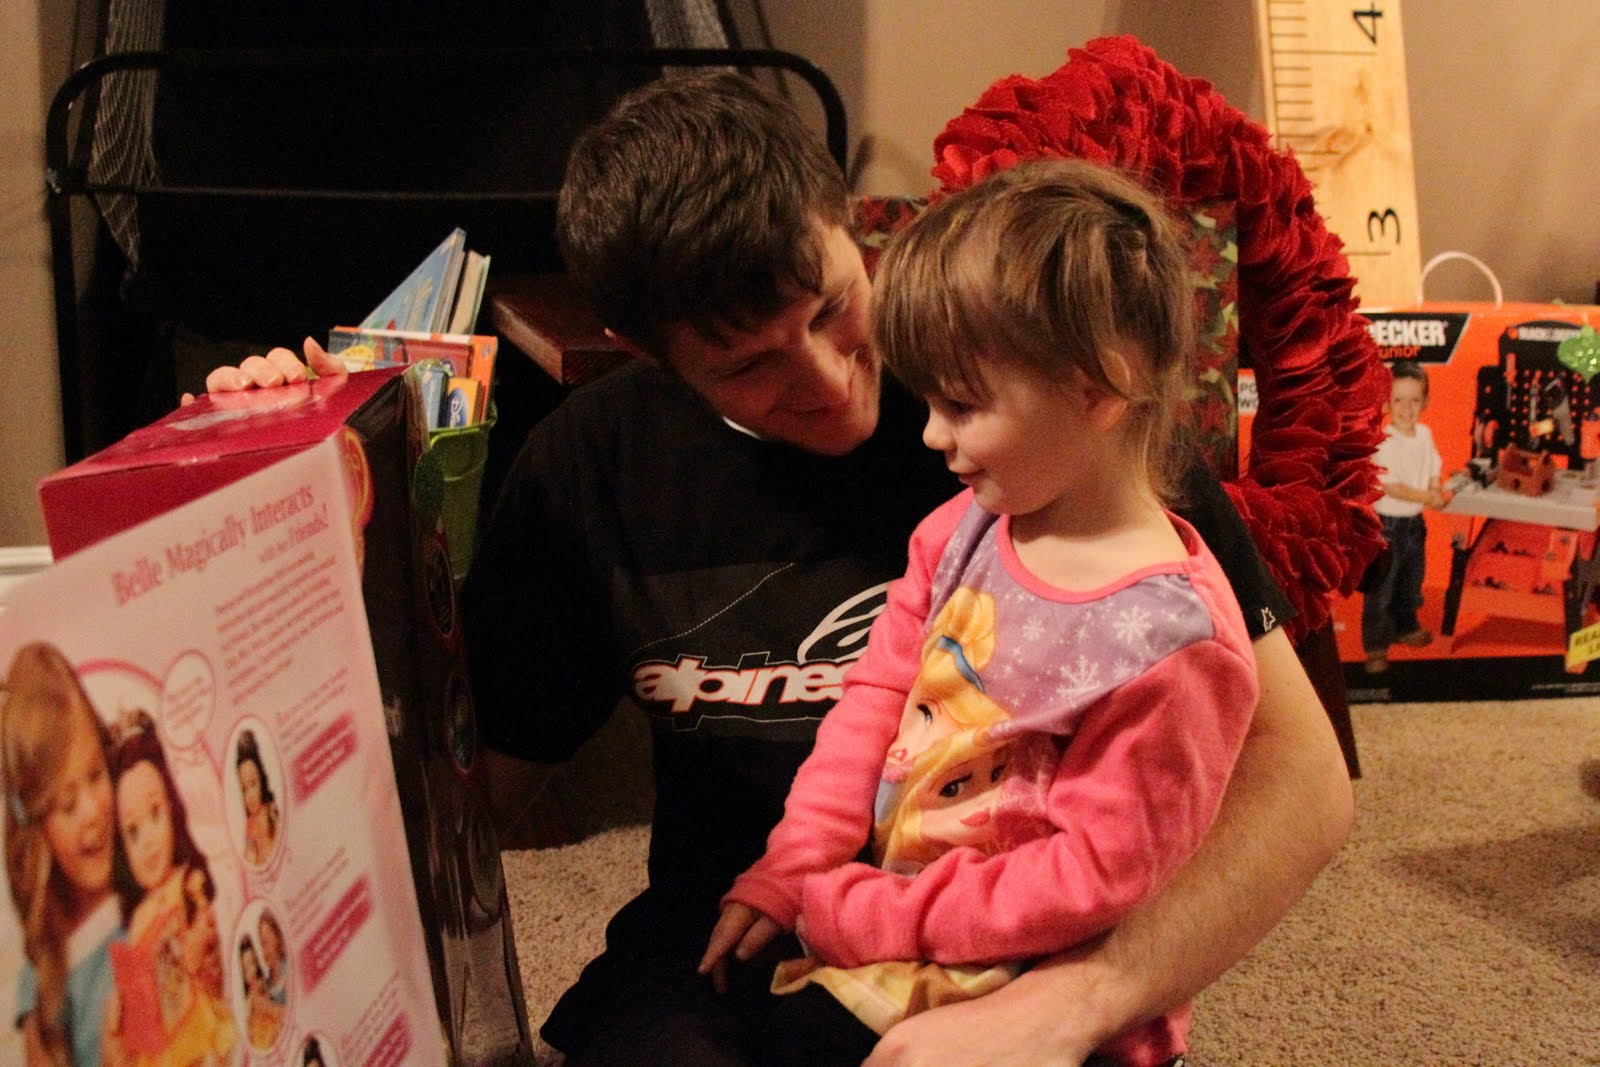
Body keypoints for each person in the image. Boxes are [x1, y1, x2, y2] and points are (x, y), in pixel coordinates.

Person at [200, 69, 1353, 1066]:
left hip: (1031, 941)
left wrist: (1082, 997)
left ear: (847, 221)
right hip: (737, 928)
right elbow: (456, 804)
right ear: (647, 355)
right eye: (749, 366)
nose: (829, 380)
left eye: (835, 307)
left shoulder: (1054, 404)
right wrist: (312, 525)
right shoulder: (592, 466)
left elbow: (1304, 780)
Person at [698, 158, 1259, 1066]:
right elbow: (873, 703)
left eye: (961, 404)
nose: (930, 434)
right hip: (908, 926)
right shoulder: (961, 529)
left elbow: (1093, 875)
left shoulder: (1174, 642)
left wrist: (876, 915)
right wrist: (795, 866)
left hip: (1036, 984)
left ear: (1097, 387)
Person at [2, 642, 128, 1067]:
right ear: (37, 830)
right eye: (67, 803)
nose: (93, 812)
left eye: (96, 774)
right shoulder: (47, 980)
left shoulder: (145, 884)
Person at [106, 710, 237, 1066]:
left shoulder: (186, 884)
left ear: (172, 810)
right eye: (133, 832)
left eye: (155, 814)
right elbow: (137, 991)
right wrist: (122, 1007)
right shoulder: (137, 919)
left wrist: (199, 941)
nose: (148, 841)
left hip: (196, 1027)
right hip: (157, 1048)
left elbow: (208, 933)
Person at [1362, 359, 1446, 674]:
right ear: (1386, 402)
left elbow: (1434, 465)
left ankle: (1406, 626)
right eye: (1398, 400)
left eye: (1414, 400)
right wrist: (1427, 497)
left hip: (1414, 524)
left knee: (1411, 582)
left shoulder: (1425, 434)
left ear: (1425, 403)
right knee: (1381, 589)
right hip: (1388, 526)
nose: (1406, 408)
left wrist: (1435, 486)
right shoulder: (1384, 441)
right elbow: (1391, 486)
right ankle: (1375, 646)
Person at [233, 731, 280, 867]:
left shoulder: (271, 810)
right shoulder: (250, 824)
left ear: (262, 781)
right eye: (244, 789)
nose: (249, 795)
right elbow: (249, 853)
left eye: (253, 784)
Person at [237, 936, 284, 1051]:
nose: (253, 971)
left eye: (254, 962)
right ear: (243, 976)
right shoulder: (253, 998)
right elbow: (278, 1013)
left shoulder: (266, 985)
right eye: (247, 969)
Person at [256, 910, 289, 1008]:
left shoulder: (290, 971)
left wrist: (266, 1006)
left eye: (264, 943)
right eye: (260, 945)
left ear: (277, 939)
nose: (262, 953)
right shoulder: (266, 983)